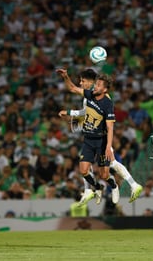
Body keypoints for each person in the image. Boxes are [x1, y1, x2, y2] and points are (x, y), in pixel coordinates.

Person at [58, 68, 143, 204]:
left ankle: (123, 185)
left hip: (101, 138)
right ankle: (93, 189)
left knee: (109, 168)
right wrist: (65, 76)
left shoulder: (106, 101)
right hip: (89, 133)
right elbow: (74, 90)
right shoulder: (90, 94)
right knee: (85, 168)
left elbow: (108, 125)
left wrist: (108, 146)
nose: (80, 83)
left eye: (83, 81)